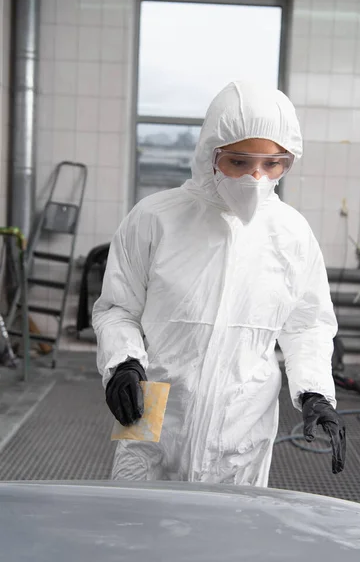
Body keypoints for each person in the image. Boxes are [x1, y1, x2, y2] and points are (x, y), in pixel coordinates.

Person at [93, 80, 346, 485]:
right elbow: (118, 308)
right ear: (211, 154)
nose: (255, 178)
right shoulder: (156, 219)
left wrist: (315, 391)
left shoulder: (292, 234)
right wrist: (123, 362)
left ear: (288, 162)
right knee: (136, 531)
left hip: (242, 421)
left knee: (226, 541)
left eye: (272, 164)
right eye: (239, 162)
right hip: (153, 406)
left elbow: (307, 324)